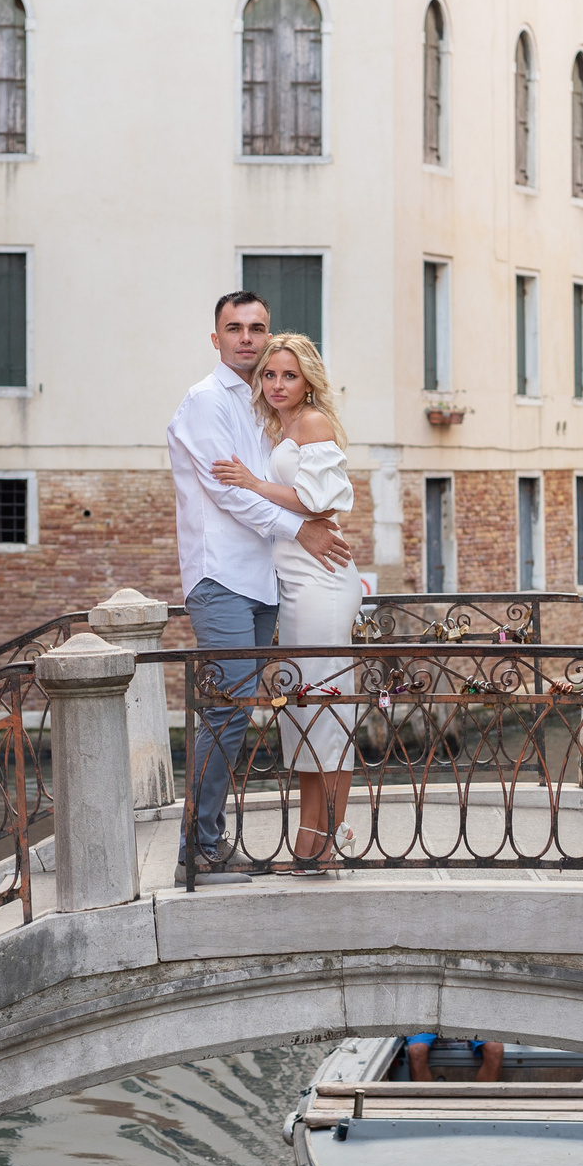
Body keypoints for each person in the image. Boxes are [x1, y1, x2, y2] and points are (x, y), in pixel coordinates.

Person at [167, 294, 353, 874]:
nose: (246, 339)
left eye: (257, 329)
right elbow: (229, 493)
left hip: (271, 581)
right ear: (216, 337)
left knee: (269, 706)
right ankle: (198, 849)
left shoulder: (266, 409)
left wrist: (304, 530)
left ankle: (312, 847)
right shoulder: (204, 403)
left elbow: (310, 488)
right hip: (221, 576)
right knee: (227, 709)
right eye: (234, 329)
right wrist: (303, 530)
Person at [211, 334, 361, 871]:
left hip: (320, 580)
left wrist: (251, 482)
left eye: (288, 376)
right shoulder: (282, 426)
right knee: (304, 710)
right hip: (296, 581)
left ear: (308, 381)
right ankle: (309, 846)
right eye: (269, 375)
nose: (276, 385)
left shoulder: (313, 423)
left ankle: (329, 847)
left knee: (326, 707)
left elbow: (319, 502)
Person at [403, 1035, 506, 1083]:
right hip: (429, 1013)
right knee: (417, 1051)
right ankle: (425, 1107)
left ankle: (483, 1104)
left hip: (470, 1012)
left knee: (495, 1049)